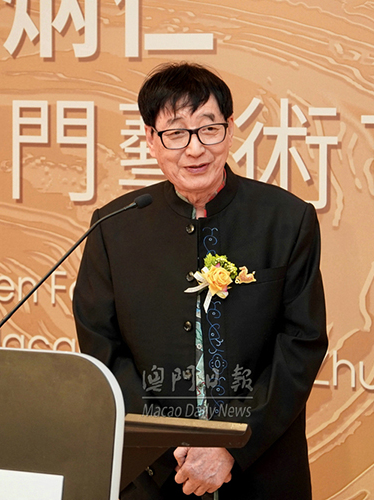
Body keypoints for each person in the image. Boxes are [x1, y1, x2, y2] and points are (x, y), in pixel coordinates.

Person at [73, 62, 327, 499]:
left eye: (209, 129)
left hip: (260, 470)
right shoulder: (114, 227)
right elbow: (102, 347)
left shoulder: (286, 220)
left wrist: (229, 446)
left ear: (230, 129)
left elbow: (301, 344)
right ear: (151, 138)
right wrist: (167, 445)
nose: (195, 150)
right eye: (176, 133)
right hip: (154, 474)